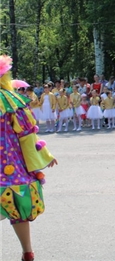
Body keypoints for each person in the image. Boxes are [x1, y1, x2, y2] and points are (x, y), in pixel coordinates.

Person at [0, 54, 58, 261]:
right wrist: (44, 155)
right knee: (18, 212)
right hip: (13, 168)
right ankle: (27, 252)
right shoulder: (12, 100)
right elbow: (27, 135)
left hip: (6, 168)